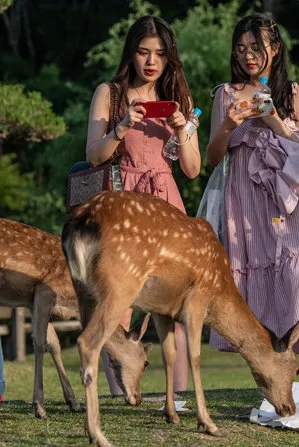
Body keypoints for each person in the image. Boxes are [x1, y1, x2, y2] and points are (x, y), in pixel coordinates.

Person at [204, 13, 299, 373]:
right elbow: (212, 157)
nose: (248, 56)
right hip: (244, 204)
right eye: (241, 49)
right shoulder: (226, 94)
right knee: (258, 286)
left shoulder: (294, 94)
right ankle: (280, 376)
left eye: (256, 47)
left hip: (289, 201)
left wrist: (273, 121)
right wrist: (228, 125)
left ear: (275, 48)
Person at [85, 15, 200, 396]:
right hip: (125, 205)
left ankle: (176, 392)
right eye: (143, 52)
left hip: (167, 203)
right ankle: (119, 392)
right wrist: (120, 127)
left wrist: (183, 128)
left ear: (170, 58)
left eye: (160, 55)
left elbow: (193, 169)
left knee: (174, 301)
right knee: (119, 301)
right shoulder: (110, 93)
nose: (151, 62)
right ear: (131, 53)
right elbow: (94, 155)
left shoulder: (179, 99)